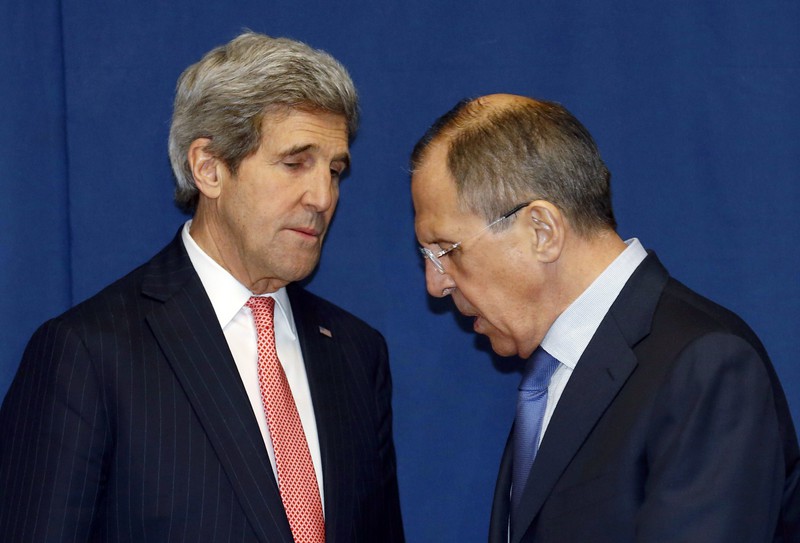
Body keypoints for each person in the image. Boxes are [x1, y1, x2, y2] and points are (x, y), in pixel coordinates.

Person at [0, 31, 404, 542]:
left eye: (335, 170)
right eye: (295, 163)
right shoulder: (89, 354)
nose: (323, 197)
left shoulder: (356, 352)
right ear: (209, 168)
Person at [410, 93, 799, 542]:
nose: (436, 284)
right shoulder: (555, 370)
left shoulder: (706, 366)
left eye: (446, 250)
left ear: (541, 231)